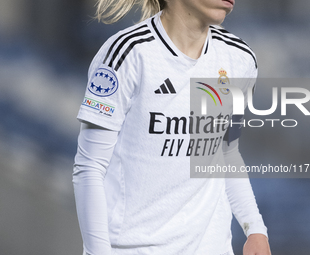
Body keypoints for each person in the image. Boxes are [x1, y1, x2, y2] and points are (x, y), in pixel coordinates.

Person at [73, 0, 271, 254]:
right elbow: (89, 166)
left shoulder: (240, 59)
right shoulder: (128, 54)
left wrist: (255, 228)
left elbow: (226, 152)